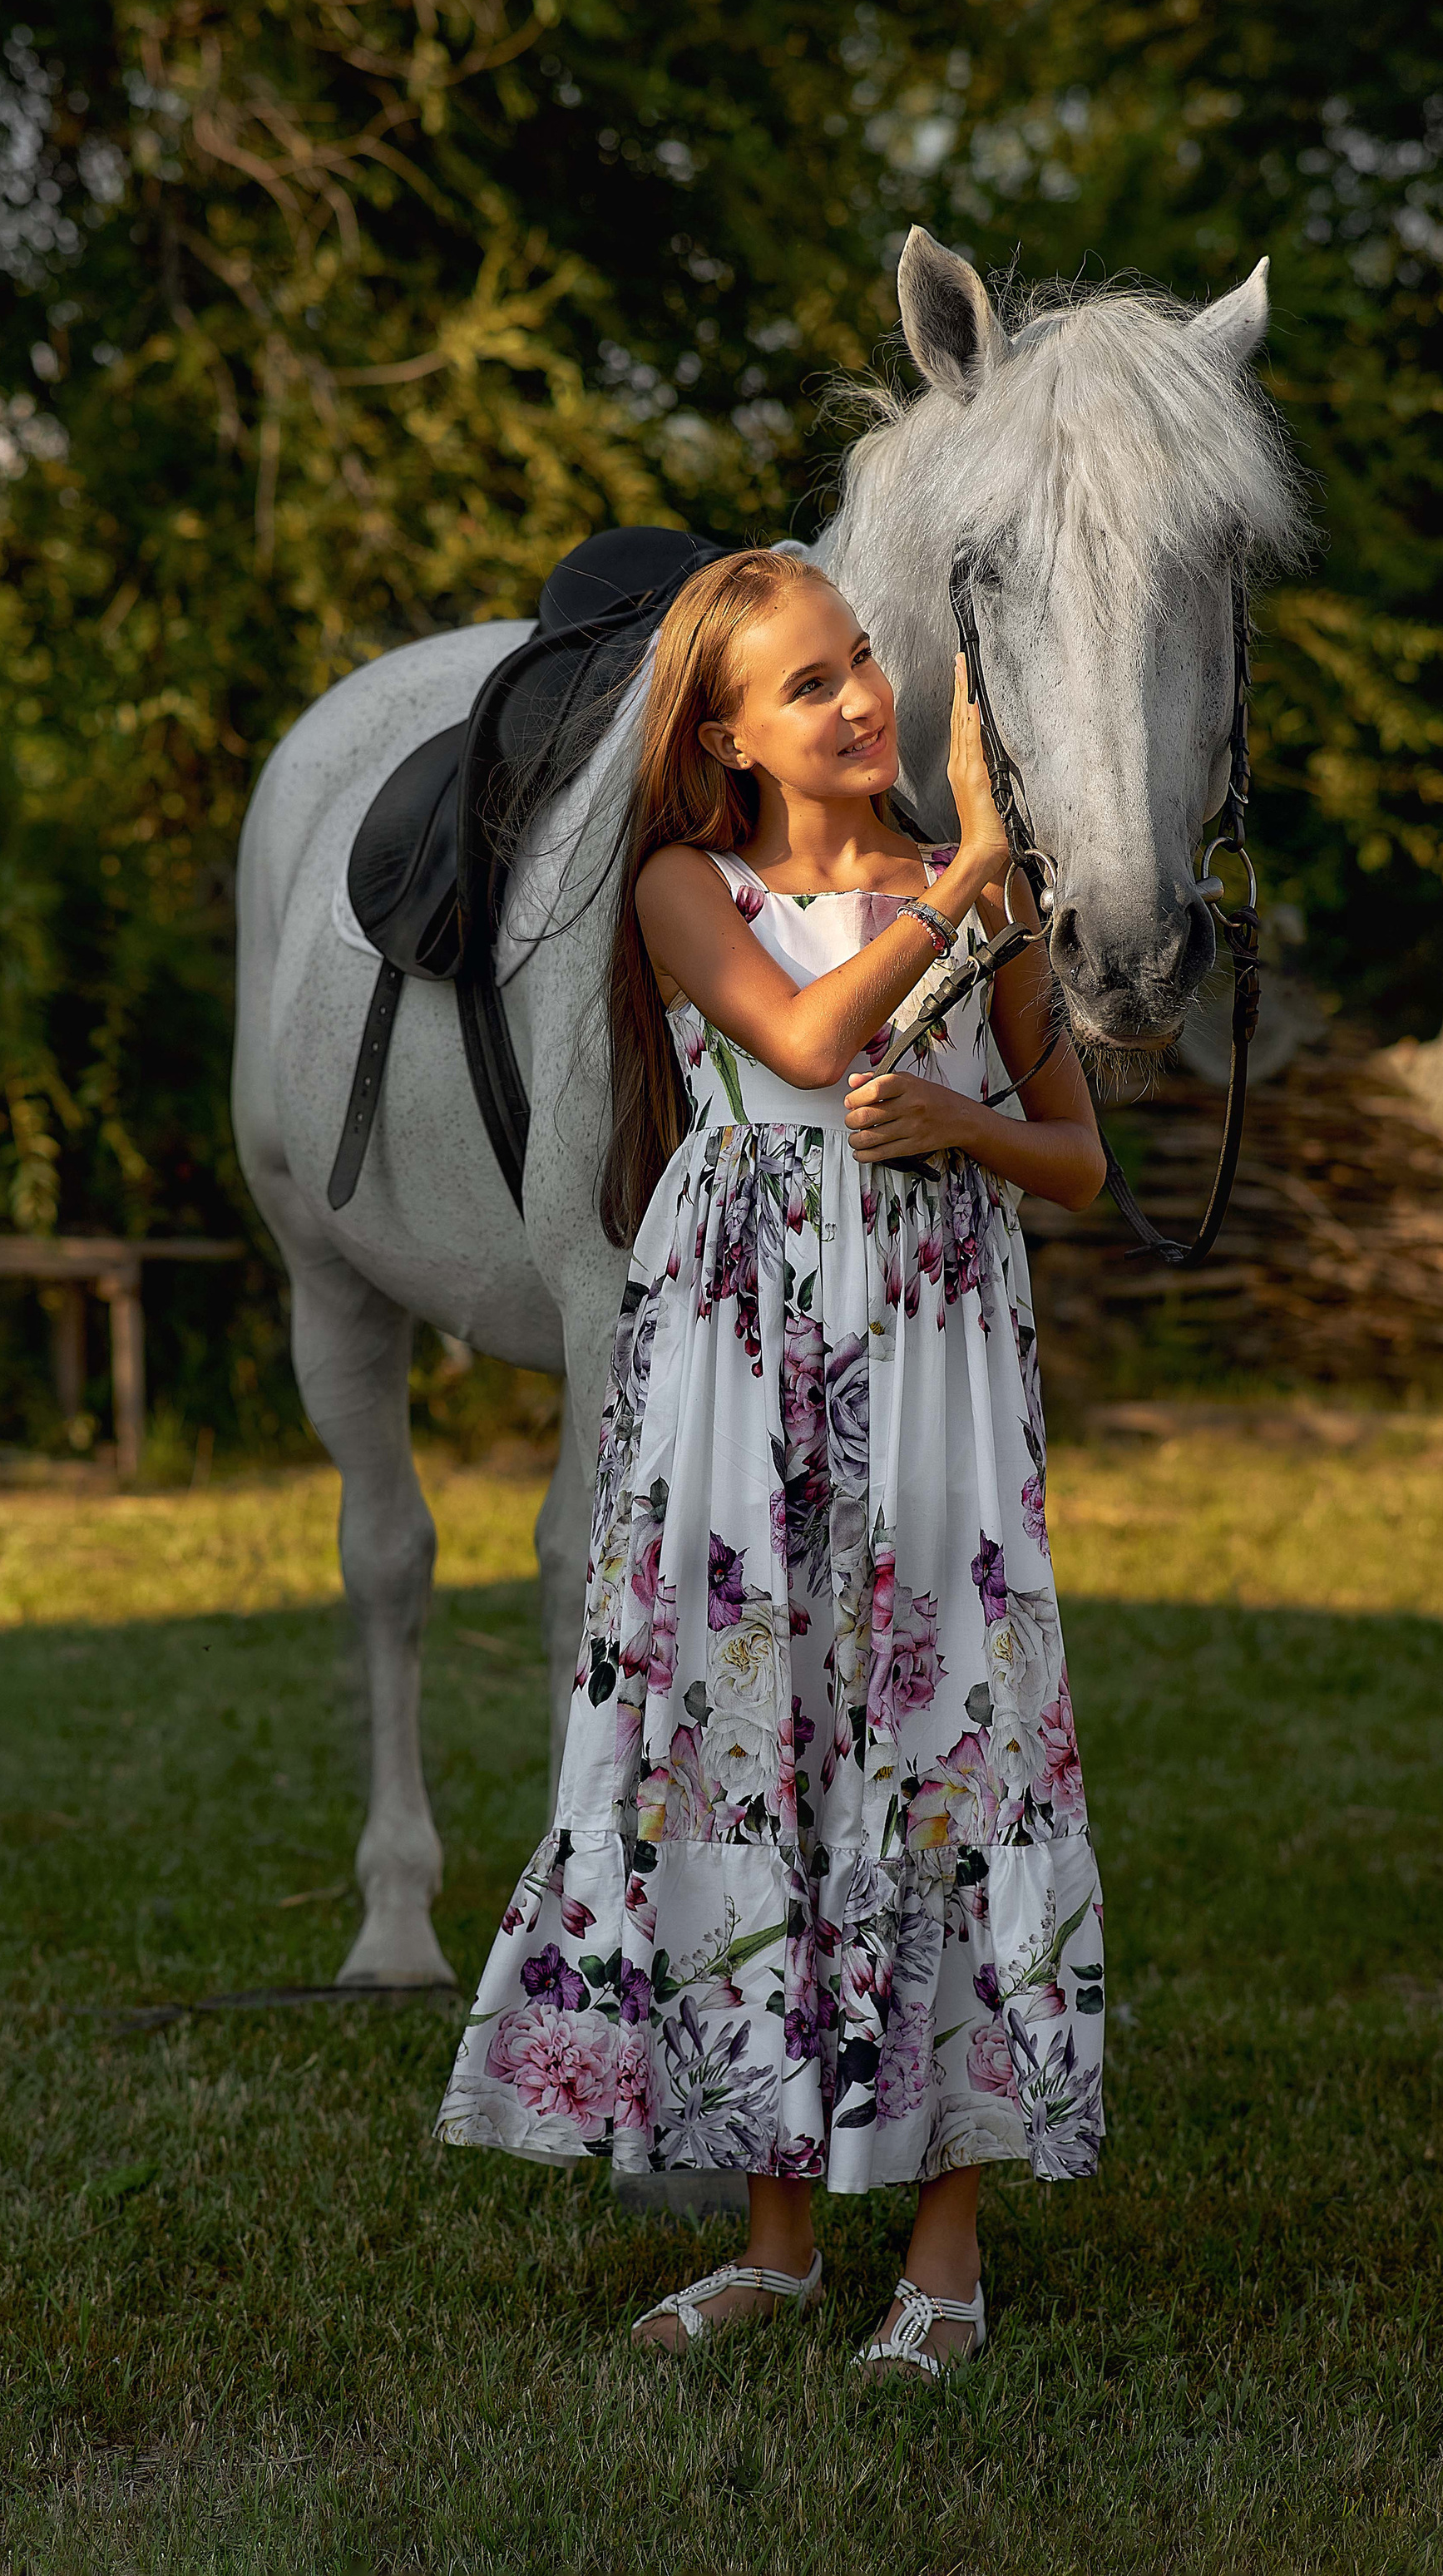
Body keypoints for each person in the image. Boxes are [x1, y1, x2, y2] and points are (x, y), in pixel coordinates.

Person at [435, 546, 1111, 2377]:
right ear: (727, 735)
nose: (858, 693)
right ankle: (776, 2237)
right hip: (741, 1359)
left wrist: (968, 1111)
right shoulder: (680, 885)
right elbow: (805, 1041)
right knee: (755, 1742)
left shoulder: (978, 903)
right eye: (807, 680)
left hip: (935, 1358)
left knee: (943, 1741)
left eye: (862, 658)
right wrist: (971, 866)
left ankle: (946, 2253)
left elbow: (1079, 1159)